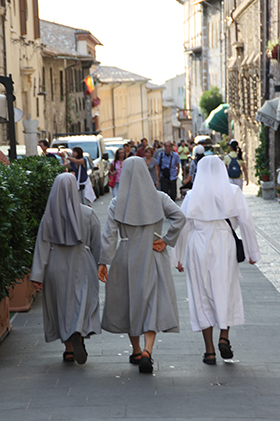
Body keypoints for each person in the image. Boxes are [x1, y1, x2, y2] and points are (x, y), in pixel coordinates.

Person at [98, 157, 186, 373]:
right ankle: (148, 350)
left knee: (132, 302)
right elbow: (180, 217)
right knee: (152, 302)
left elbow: (110, 235)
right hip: (153, 254)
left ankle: (136, 350)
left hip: (127, 257)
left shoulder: (117, 203)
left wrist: (104, 262)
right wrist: (166, 239)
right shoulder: (160, 197)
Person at [171, 156, 260, 365]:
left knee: (201, 294)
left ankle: (209, 351)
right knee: (225, 289)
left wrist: (178, 257)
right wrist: (251, 253)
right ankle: (224, 337)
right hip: (224, 245)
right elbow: (246, 222)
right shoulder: (233, 192)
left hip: (198, 245)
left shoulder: (192, 195)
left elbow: (182, 226)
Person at [30, 173, 101, 364]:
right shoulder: (87, 213)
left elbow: (42, 246)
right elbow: (96, 243)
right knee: (81, 302)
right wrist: (97, 265)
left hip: (55, 266)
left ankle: (69, 349)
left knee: (61, 305)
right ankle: (77, 332)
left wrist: (38, 275)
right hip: (82, 264)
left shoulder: (48, 216)